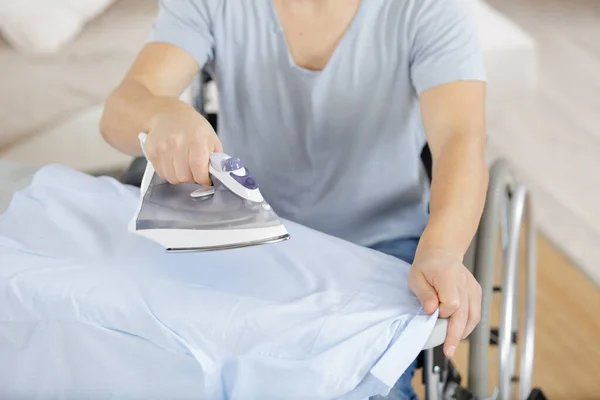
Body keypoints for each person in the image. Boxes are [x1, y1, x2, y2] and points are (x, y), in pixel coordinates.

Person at [100, 0, 487, 398]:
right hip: (248, 244)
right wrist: (161, 113)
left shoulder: (427, 9)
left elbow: (460, 139)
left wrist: (442, 251)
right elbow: (122, 110)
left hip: (380, 250)